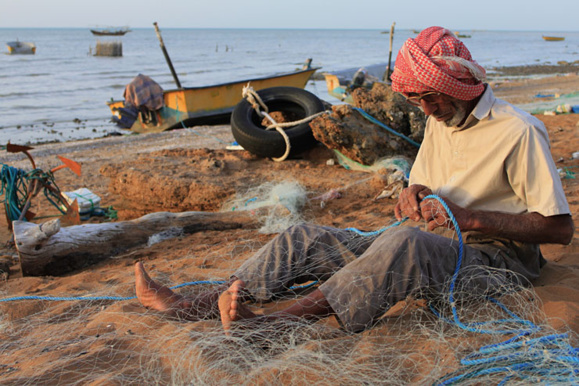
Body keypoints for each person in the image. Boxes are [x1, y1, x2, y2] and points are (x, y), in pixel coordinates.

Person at [135, 26, 574, 335]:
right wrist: (412, 195)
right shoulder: (442, 119)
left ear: (459, 84)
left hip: (500, 262)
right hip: (435, 241)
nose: (425, 109)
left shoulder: (519, 130)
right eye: (416, 99)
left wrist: (471, 219)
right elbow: (418, 185)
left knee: (405, 245)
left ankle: (274, 325)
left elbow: (560, 230)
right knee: (303, 236)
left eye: (430, 97)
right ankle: (203, 303)